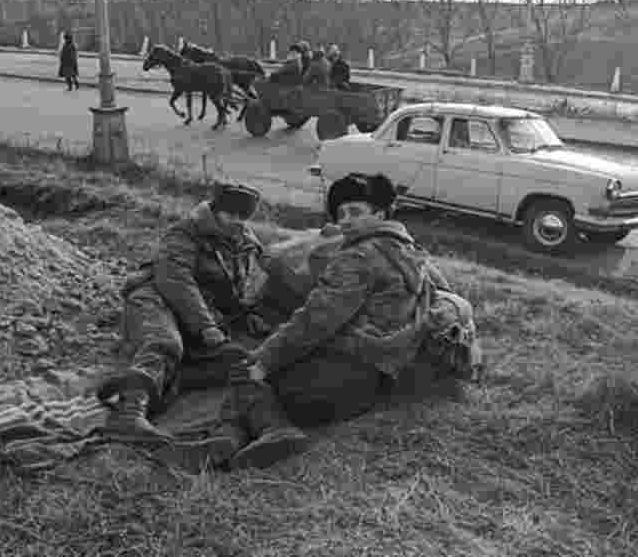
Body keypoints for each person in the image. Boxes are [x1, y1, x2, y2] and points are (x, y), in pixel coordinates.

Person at [165, 173, 466, 472]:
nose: (346, 220)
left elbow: (314, 321)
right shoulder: (410, 253)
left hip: (333, 379)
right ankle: (228, 440)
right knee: (258, 375)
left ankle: (274, 431)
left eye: (356, 212)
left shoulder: (359, 258)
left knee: (247, 375)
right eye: (341, 213)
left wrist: (265, 360)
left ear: (380, 212)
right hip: (373, 382)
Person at [96, 182, 269, 443]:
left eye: (242, 217)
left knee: (236, 360)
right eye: (230, 215)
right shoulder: (184, 234)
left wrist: (245, 314)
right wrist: (205, 326)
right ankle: (127, 414)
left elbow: (230, 288)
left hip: (199, 311)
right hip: (155, 297)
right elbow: (176, 281)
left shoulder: (243, 242)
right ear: (215, 210)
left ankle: (161, 382)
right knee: (166, 344)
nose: (236, 222)